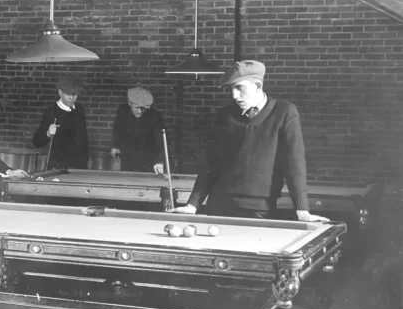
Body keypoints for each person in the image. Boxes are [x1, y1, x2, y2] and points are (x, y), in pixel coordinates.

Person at [171, 60, 327, 222]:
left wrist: (302, 210)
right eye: (232, 89)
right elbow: (211, 164)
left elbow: (295, 163)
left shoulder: (285, 112)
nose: (234, 96)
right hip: (218, 203)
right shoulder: (225, 115)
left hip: (259, 208)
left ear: (258, 87)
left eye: (240, 88)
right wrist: (192, 204)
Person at [32, 76, 89, 169]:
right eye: (68, 94)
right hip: (58, 166)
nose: (72, 98)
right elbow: (37, 141)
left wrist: (85, 160)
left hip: (79, 166)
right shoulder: (51, 112)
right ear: (60, 92)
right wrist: (48, 133)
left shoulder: (79, 109)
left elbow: (83, 138)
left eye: (74, 94)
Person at [111, 87, 166, 174]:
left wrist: (160, 161)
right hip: (128, 157)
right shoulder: (122, 112)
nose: (140, 111)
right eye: (137, 107)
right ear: (129, 103)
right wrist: (115, 145)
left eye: (143, 109)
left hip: (148, 160)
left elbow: (162, 141)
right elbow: (118, 129)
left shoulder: (155, 116)